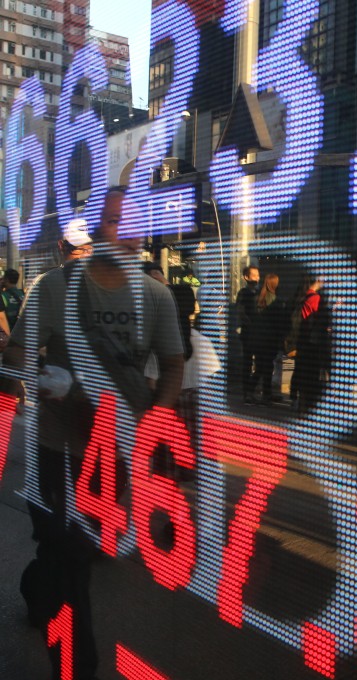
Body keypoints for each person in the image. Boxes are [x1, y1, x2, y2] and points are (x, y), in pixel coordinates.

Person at [6, 186, 184, 680]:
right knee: (74, 560)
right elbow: (16, 354)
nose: (123, 236)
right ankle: (79, 669)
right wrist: (41, 376)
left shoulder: (156, 295)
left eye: (131, 226)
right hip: (57, 447)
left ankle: (34, 586)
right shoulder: (54, 287)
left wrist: (155, 418)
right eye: (111, 223)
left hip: (115, 452)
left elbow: (172, 368)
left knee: (71, 552)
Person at [145, 284, 222, 438]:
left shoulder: (158, 343)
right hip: (197, 413)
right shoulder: (203, 341)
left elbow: (151, 384)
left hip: (167, 414)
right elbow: (211, 382)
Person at [290, 274, 328, 411]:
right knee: (311, 373)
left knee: (299, 369)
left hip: (300, 338)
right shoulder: (316, 299)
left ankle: (295, 399)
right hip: (311, 342)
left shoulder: (301, 296)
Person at [251, 273, 289, 404]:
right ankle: (264, 395)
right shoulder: (273, 299)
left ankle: (255, 392)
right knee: (267, 368)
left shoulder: (259, 297)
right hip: (270, 338)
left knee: (261, 367)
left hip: (258, 338)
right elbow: (278, 320)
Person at [235, 265, 260, 404]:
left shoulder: (259, 292)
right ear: (246, 277)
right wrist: (250, 323)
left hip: (259, 332)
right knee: (248, 362)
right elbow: (240, 311)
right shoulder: (243, 293)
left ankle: (251, 389)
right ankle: (247, 393)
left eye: (258, 274)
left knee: (261, 362)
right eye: (254, 275)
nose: (257, 277)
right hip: (248, 332)